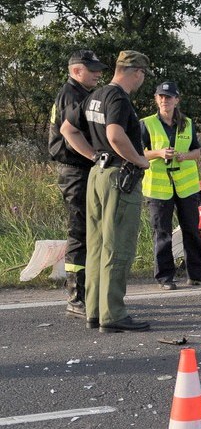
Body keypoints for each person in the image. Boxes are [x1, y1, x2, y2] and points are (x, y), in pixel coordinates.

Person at [60, 50, 152, 333]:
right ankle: (113, 314)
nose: (142, 80)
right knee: (118, 246)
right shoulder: (118, 98)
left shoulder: (94, 95)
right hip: (118, 179)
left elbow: (67, 129)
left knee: (97, 247)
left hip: (97, 175)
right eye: (143, 75)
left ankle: (95, 311)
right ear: (136, 72)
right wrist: (139, 160)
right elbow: (114, 134)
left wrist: (93, 156)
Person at [140, 81, 201, 290]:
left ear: (177, 100)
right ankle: (165, 278)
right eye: (161, 97)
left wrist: (184, 156)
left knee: (191, 230)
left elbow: (197, 152)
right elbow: (137, 153)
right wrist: (159, 153)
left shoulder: (187, 123)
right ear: (156, 99)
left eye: (169, 97)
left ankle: (197, 274)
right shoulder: (146, 124)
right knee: (162, 233)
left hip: (185, 187)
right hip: (158, 187)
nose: (165, 100)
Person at [48, 50, 107, 318]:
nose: (98, 73)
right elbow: (69, 134)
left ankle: (87, 292)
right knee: (79, 231)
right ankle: (75, 296)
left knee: (88, 230)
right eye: (92, 68)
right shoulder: (71, 95)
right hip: (75, 171)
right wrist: (95, 156)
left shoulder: (81, 93)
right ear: (75, 71)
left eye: (98, 69)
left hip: (82, 170)